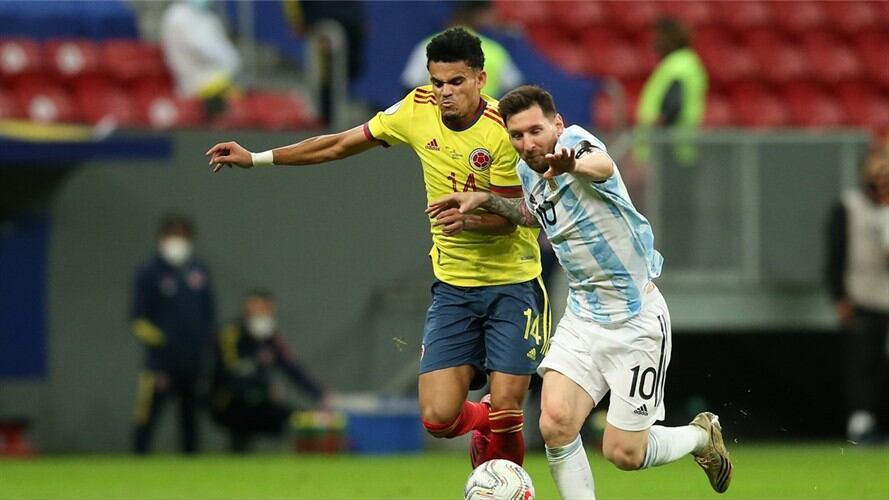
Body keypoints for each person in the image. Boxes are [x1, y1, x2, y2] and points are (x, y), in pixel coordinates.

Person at [206, 27, 548, 467]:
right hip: (455, 288)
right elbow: (340, 143)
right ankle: (488, 423)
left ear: (481, 80)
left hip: (512, 283)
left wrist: (470, 219)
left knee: (508, 405)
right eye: (437, 82)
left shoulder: (504, 132)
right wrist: (258, 157)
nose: (444, 93)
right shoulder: (415, 109)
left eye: (456, 82)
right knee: (439, 418)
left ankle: (505, 480)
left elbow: (513, 221)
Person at [427, 86, 732, 498]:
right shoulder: (526, 171)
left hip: (635, 319)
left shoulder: (574, 143)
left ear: (555, 123)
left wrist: (573, 165)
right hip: (584, 317)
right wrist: (486, 200)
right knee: (554, 423)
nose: (526, 143)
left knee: (624, 452)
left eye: (535, 130)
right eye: (516, 135)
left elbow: (602, 165)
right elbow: (531, 214)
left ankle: (701, 436)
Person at [131, 214, 216, 454]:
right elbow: (138, 320)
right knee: (147, 417)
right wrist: (164, 343)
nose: (177, 242)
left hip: (192, 362)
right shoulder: (149, 272)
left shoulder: (199, 271)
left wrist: (202, 348)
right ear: (161, 238)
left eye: (182, 236)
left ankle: (191, 472)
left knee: (190, 419)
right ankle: (137, 466)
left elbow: (208, 314)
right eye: (172, 236)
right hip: (160, 363)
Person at [211, 290, 327, 453]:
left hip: (262, 400)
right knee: (244, 409)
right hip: (228, 401)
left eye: (265, 311)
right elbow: (230, 375)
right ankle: (238, 452)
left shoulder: (272, 338)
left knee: (297, 417)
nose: (260, 316)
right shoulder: (229, 335)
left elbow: (293, 368)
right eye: (255, 311)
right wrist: (265, 385)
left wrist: (321, 394)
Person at [825, 150, 889, 444]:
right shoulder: (849, 206)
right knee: (863, 363)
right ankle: (860, 424)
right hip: (863, 297)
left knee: (878, 366)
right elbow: (836, 253)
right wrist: (839, 295)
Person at [401, 1, 522, 99]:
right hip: (483, 122)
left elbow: (410, 87)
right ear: (475, 17)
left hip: (438, 122)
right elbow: (515, 89)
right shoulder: (494, 50)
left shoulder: (427, 47)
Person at [160, 0, 242, 117]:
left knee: (246, 102)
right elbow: (201, 48)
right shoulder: (178, 16)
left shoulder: (208, 17)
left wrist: (231, 62)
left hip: (219, 80)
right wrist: (225, 60)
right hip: (195, 83)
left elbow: (227, 51)